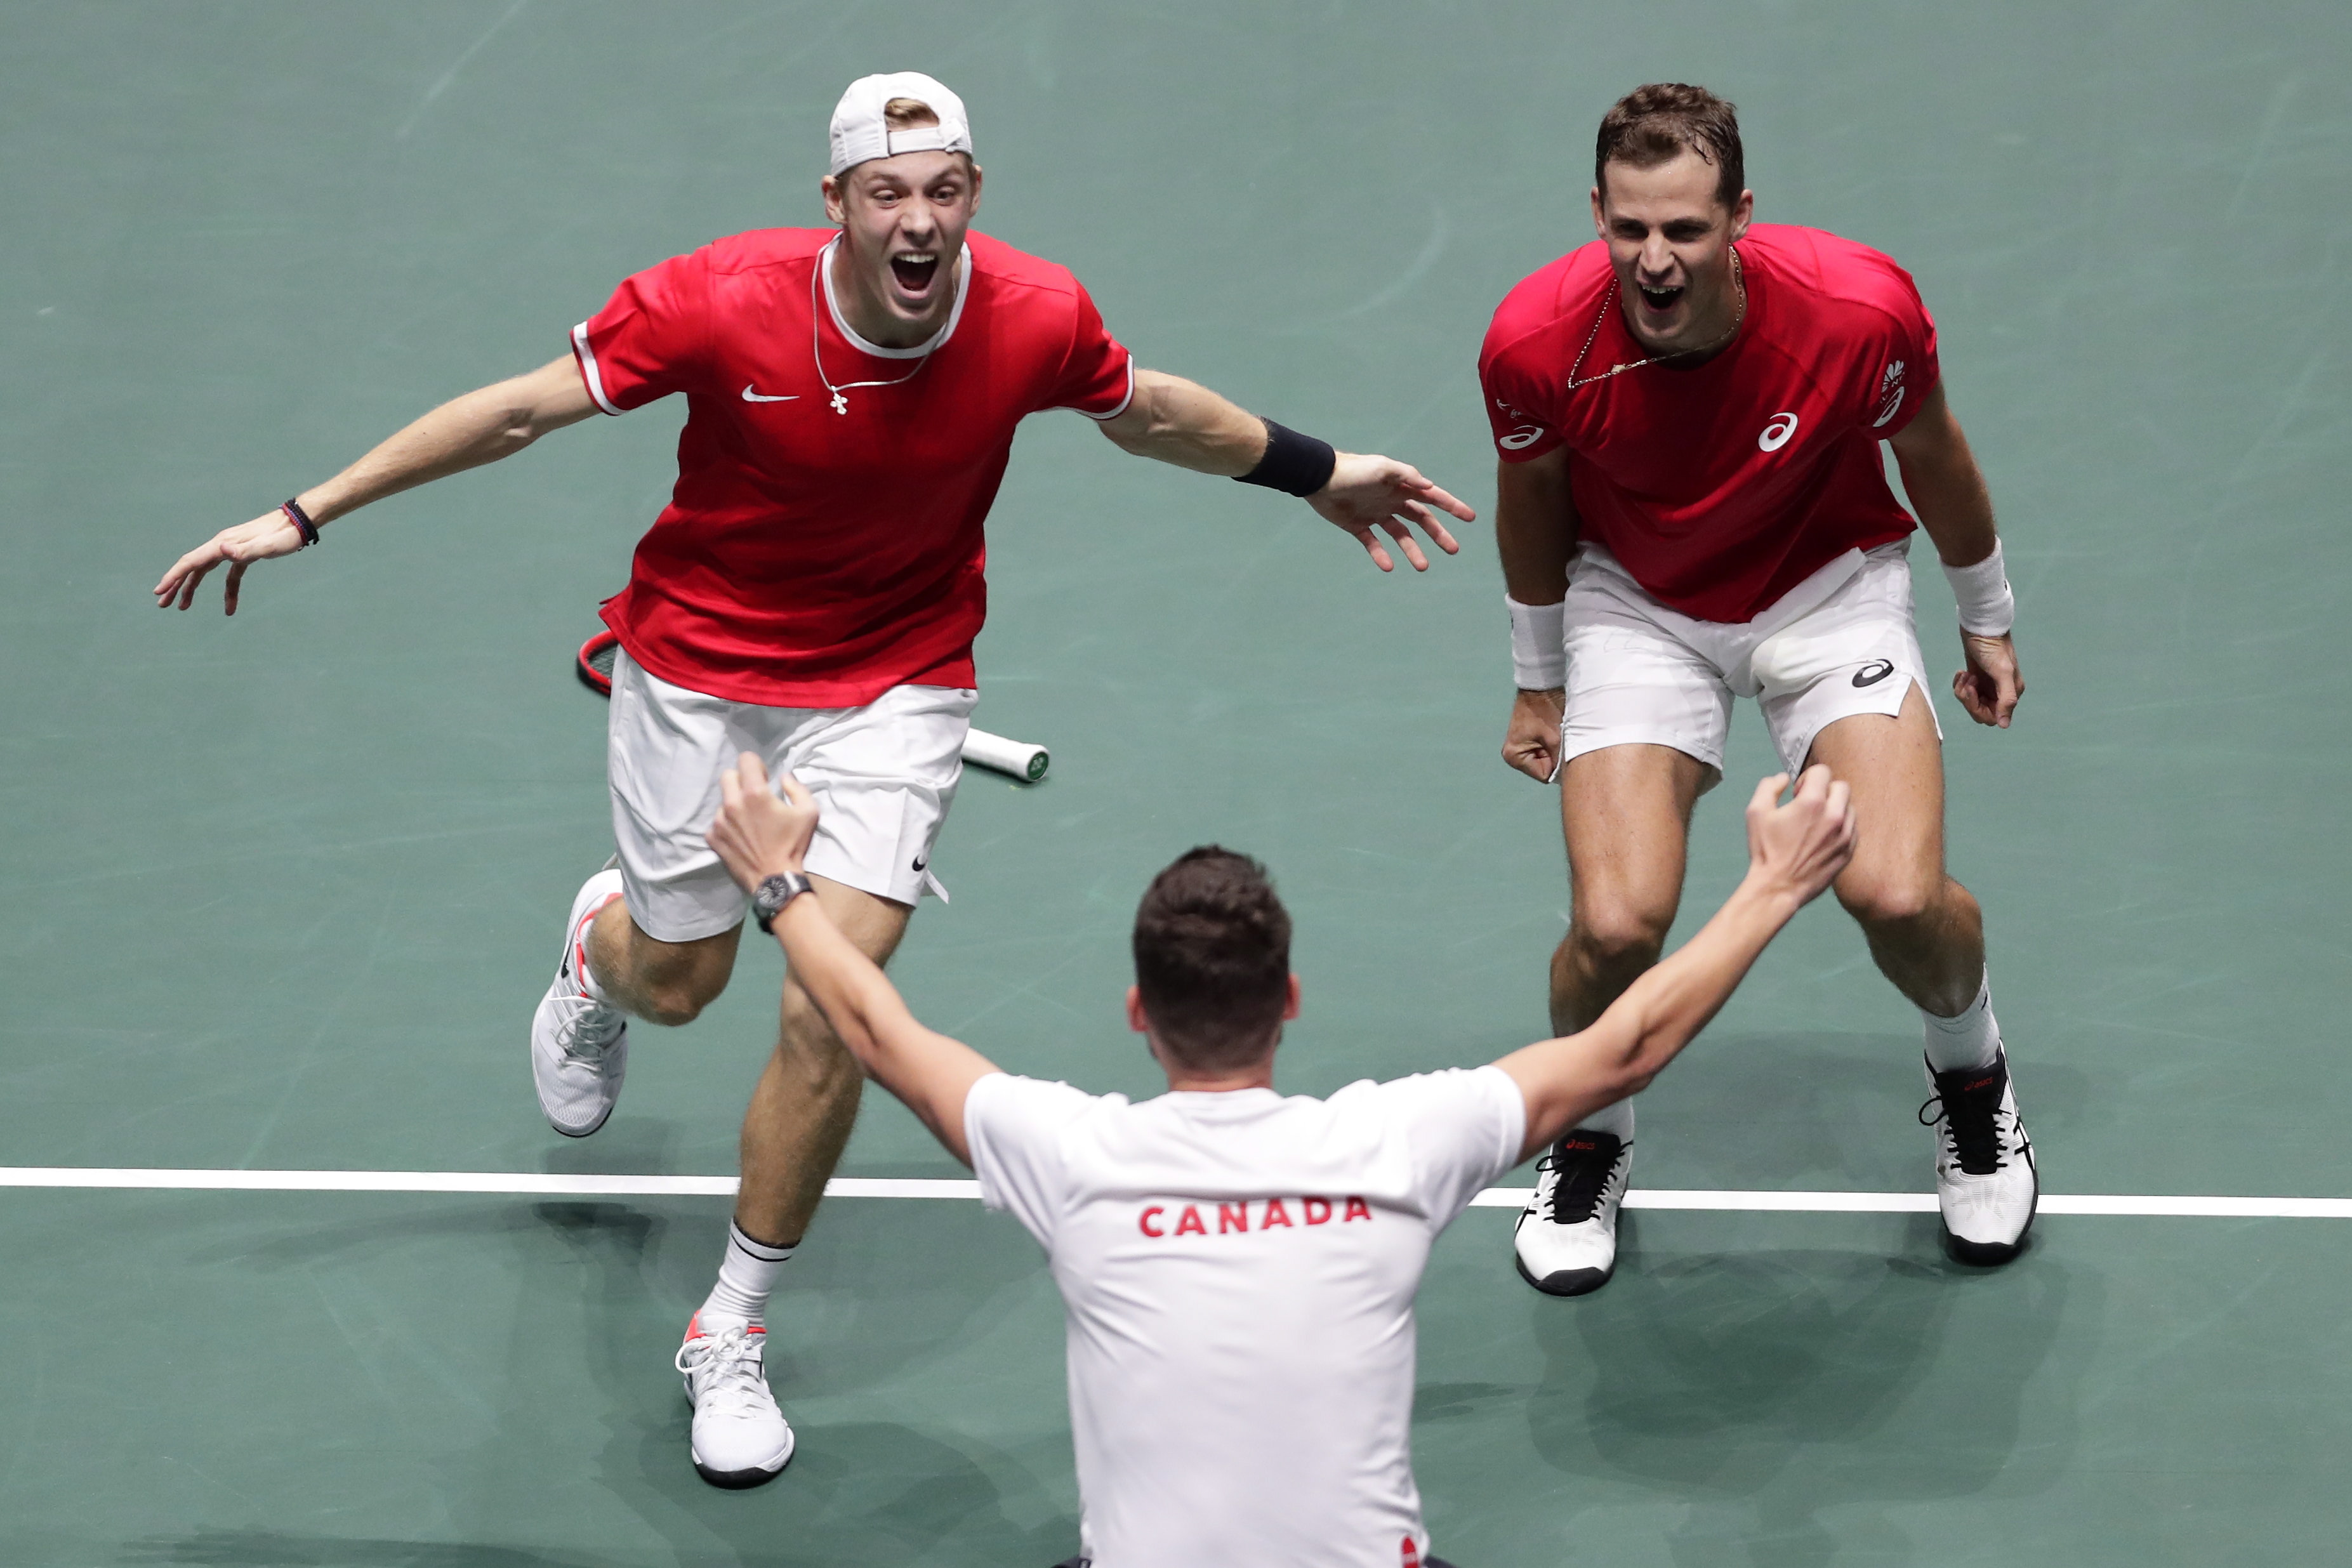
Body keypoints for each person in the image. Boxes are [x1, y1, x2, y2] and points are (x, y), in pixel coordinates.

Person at [151, 71, 1475, 1489]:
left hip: (900, 682)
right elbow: (522, 413)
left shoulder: (1030, 311)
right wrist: (308, 512)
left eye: (946, 191)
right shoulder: (716, 301)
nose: (921, 225)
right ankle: (602, 960)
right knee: (680, 983)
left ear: (974, 196)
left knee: (835, 1005)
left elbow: (1144, 410)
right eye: (888, 195)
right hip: (699, 674)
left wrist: (1316, 469)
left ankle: (729, 1321)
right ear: (834, 202)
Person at [704, 747, 1856, 1568]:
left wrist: (777, 883)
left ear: (1136, 1015)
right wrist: (1774, 882)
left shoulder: (1071, 1155)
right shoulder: (1398, 1144)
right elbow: (1628, 1045)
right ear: (1290, 999)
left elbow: (873, 1032)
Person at [1477, 82, 2037, 1298]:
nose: (1655, 260)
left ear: (1739, 214)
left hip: (1825, 589)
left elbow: (1930, 454)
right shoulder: (1534, 344)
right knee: (1617, 924)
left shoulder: (1855, 311)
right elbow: (1531, 505)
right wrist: (1538, 679)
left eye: (1684, 229)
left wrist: (1984, 618)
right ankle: (1590, 1125)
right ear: (1596, 213)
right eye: (1628, 230)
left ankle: (1971, 1072)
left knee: (1894, 894)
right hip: (1637, 605)